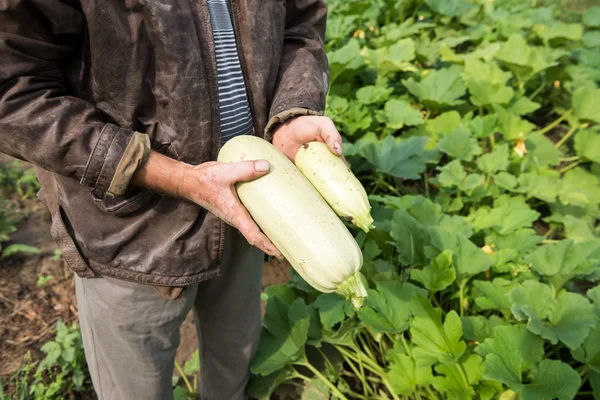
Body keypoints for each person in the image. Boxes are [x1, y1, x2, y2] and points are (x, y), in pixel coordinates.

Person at [0, 1, 343, 399]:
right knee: (135, 387)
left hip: (255, 201)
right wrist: (169, 174)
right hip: (130, 231)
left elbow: (300, 23)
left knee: (235, 357)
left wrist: (292, 109)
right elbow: (11, 90)